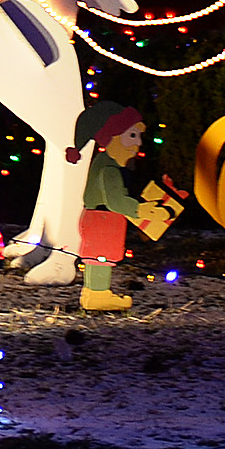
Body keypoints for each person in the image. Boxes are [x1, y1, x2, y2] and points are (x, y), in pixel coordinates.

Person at [69, 103, 185, 311]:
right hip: (102, 219)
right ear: (112, 137)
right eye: (132, 136)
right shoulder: (109, 168)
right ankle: (98, 295)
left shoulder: (111, 165)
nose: (138, 143)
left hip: (102, 219)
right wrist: (147, 211)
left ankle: (92, 292)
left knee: (100, 257)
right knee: (100, 257)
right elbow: (117, 201)